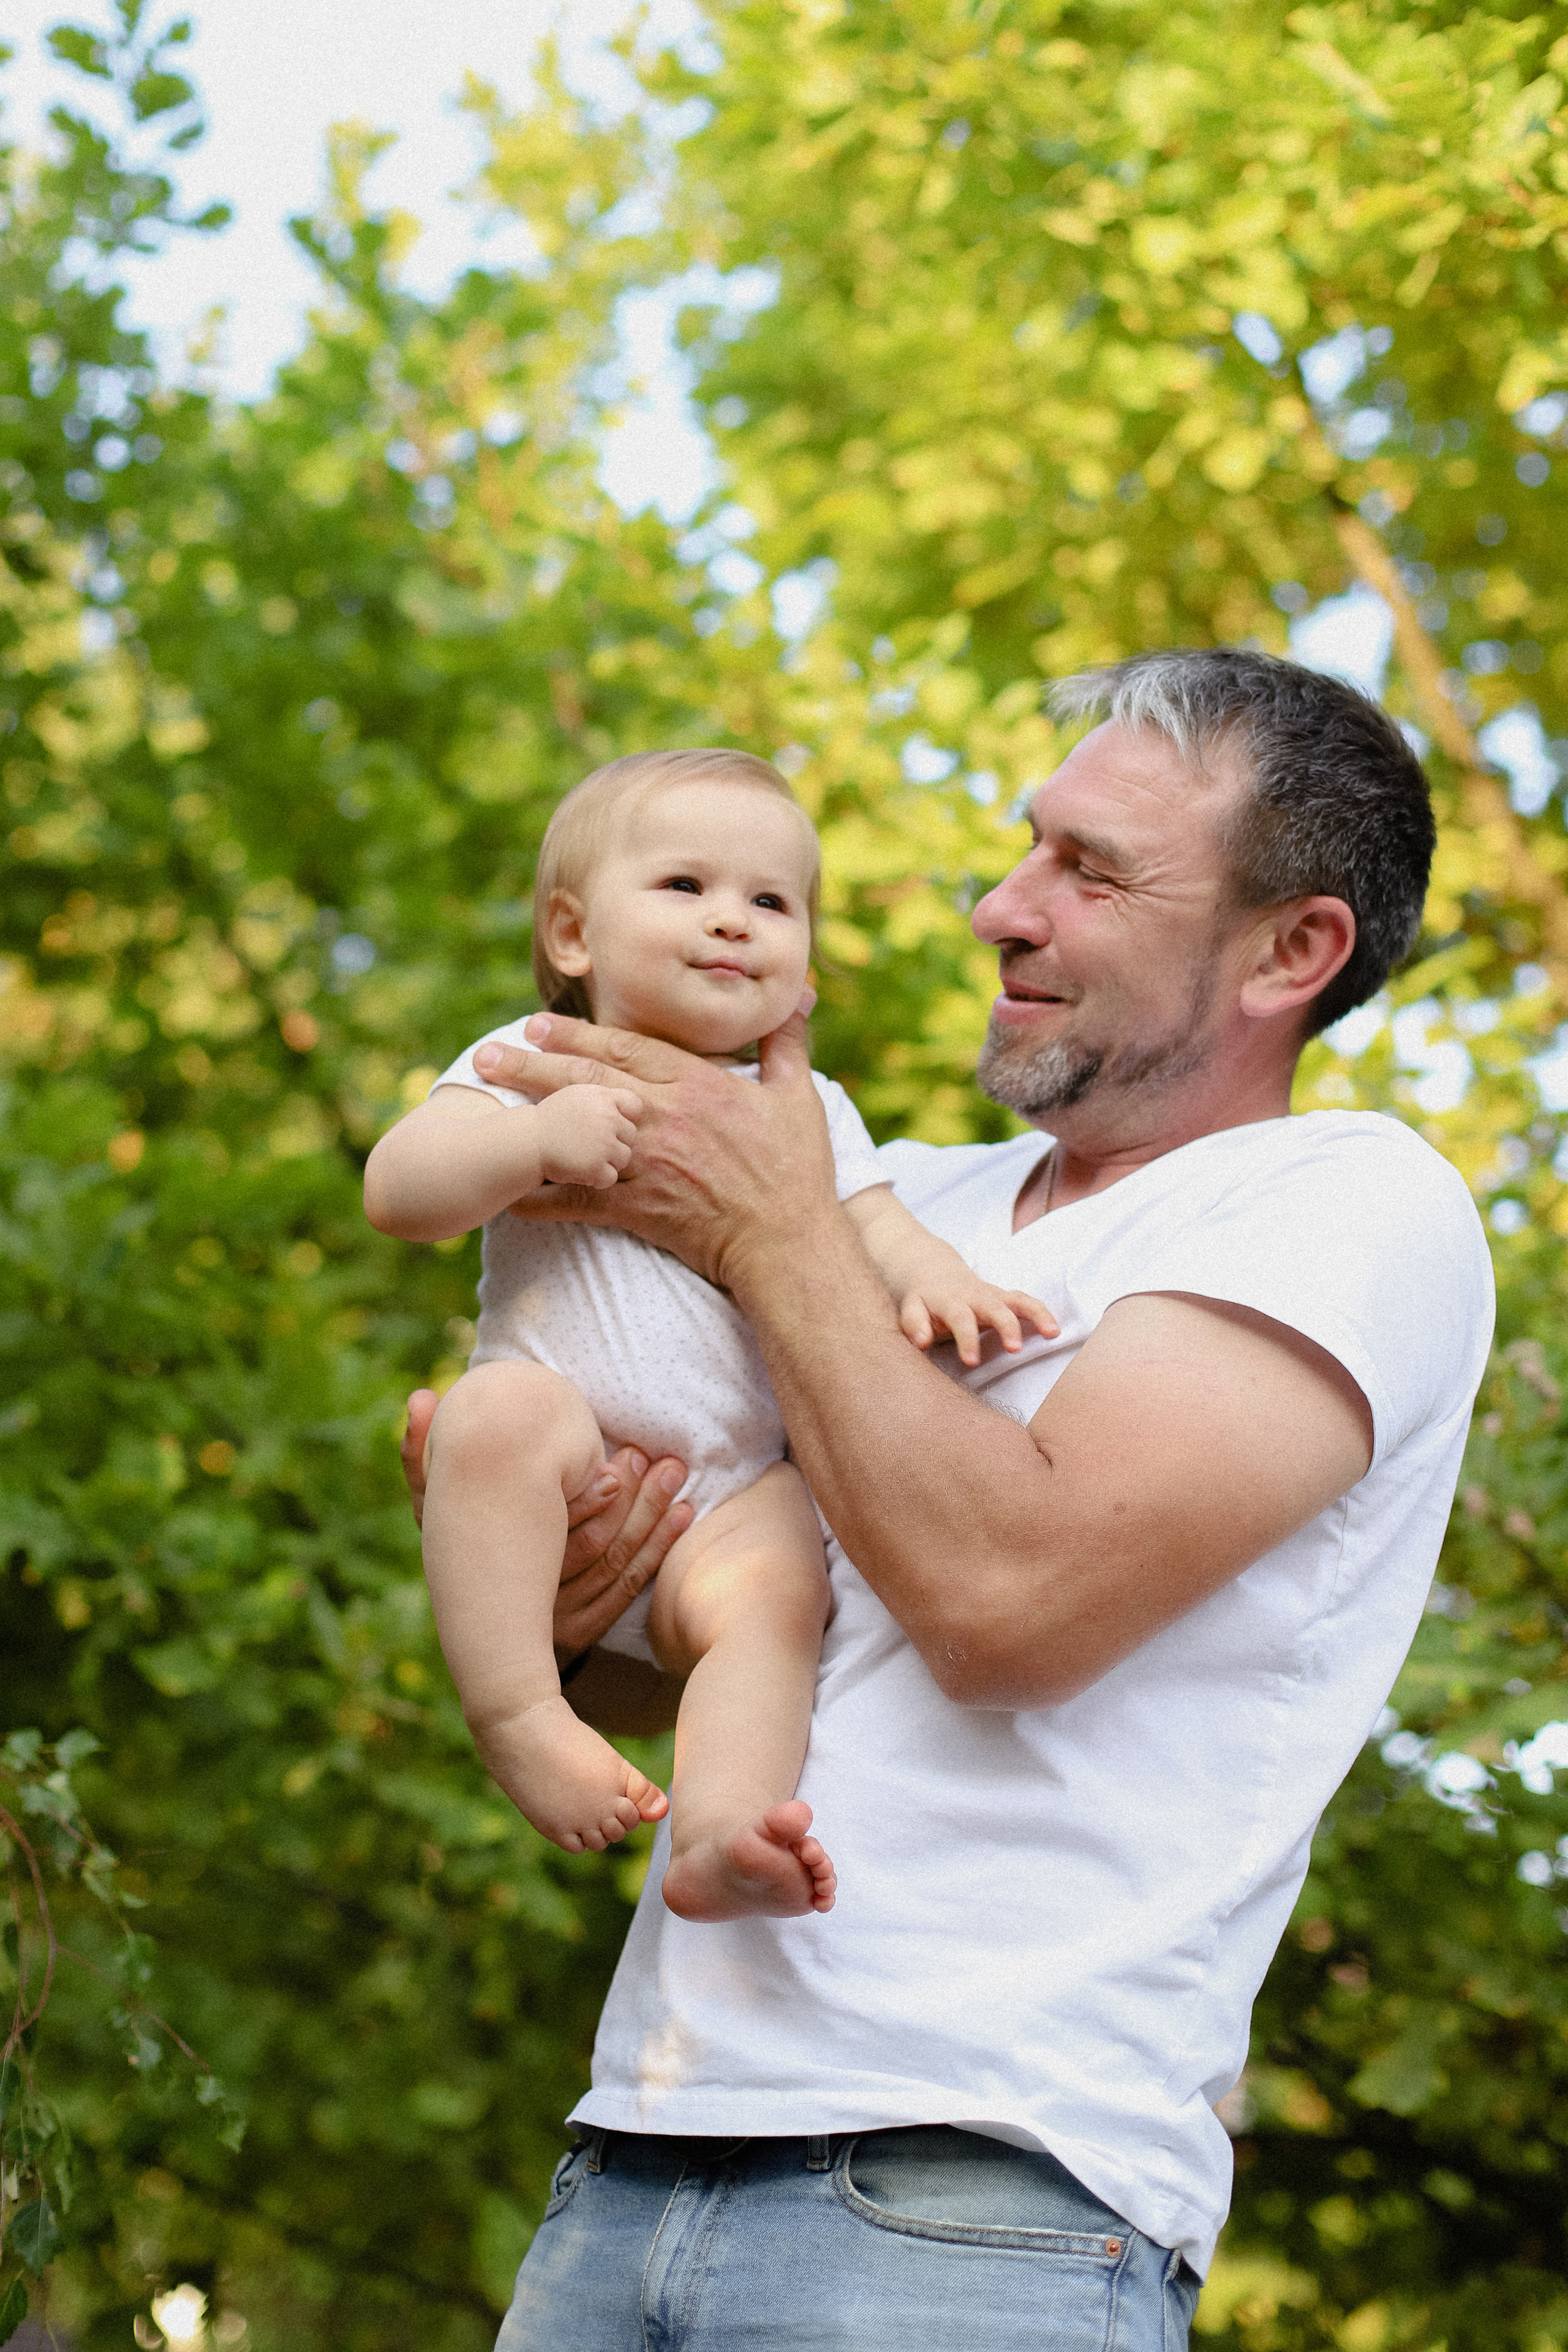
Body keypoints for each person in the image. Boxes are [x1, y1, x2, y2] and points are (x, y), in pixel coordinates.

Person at [404, 649, 1494, 2351]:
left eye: (1091, 870)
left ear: (1295, 951)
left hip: (987, 2198)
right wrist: (564, 1587)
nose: (1002, 905)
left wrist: (766, 1234)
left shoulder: (1348, 1204)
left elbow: (1005, 1607)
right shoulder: (894, 1197)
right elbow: (705, 1662)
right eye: (1026, 846)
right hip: (641, 2140)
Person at [366, 750, 1051, 1924]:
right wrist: (530, 1146)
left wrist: (941, 1281)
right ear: (574, 936)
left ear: (805, 969)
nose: (732, 922)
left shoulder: (810, 1108)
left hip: (728, 1496)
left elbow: (872, 1220)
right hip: (565, 1446)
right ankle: (522, 1716)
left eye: (771, 904)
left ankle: (725, 1823)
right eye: (685, 887)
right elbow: (401, 1190)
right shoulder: (536, 1061)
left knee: (784, 1590)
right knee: (488, 1417)